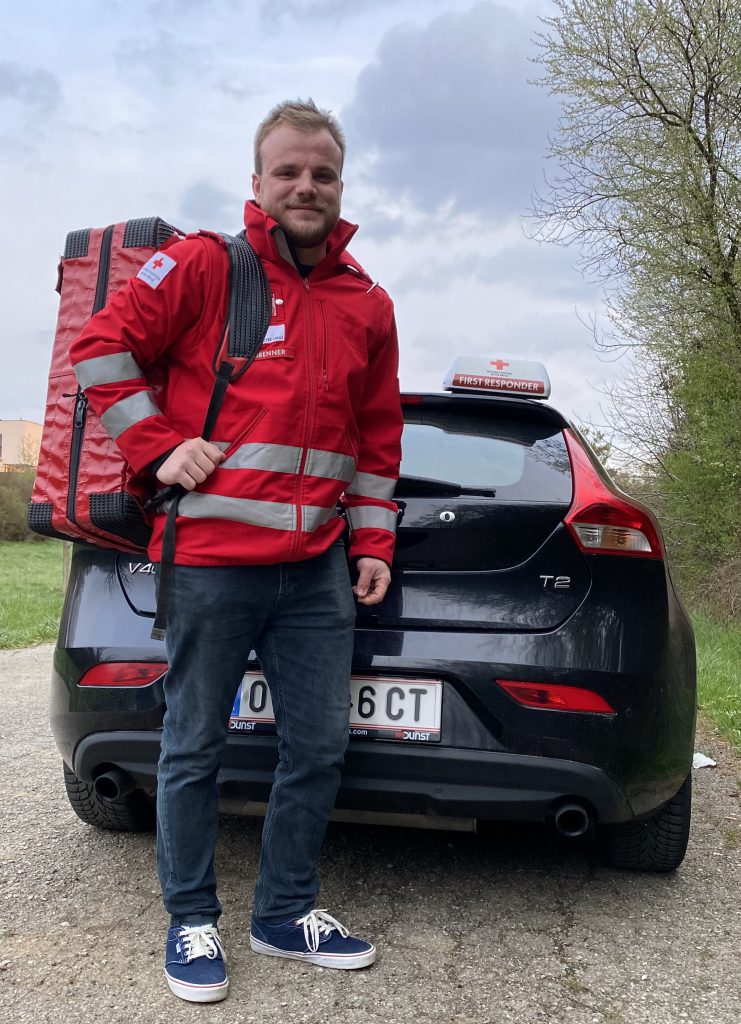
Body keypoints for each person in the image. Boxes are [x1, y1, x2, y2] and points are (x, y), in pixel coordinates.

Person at [70, 99, 402, 1003]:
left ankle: (285, 911)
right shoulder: (209, 266)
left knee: (320, 747)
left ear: (340, 185)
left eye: (322, 174)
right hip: (212, 560)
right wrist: (154, 444)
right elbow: (101, 349)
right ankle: (191, 920)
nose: (306, 186)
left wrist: (371, 539)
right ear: (257, 181)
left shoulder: (367, 302)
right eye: (288, 171)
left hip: (315, 573)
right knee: (192, 746)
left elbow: (374, 443)